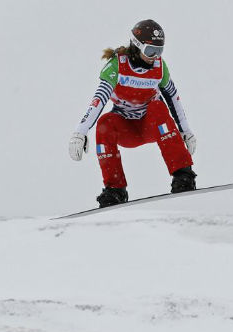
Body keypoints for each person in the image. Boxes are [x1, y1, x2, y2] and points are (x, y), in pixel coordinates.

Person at [68, 19, 197, 207]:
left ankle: (183, 175)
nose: (154, 57)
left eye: (159, 51)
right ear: (137, 46)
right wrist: (81, 132)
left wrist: (185, 130)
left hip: (152, 126)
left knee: (157, 107)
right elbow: (99, 99)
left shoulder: (159, 68)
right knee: (105, 122)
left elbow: (173, 97)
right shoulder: (117, 66)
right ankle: (115, 190)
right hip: (126, 129)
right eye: (150, 51)